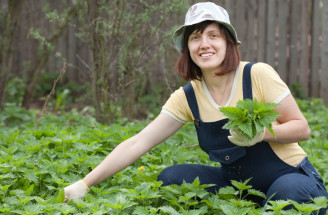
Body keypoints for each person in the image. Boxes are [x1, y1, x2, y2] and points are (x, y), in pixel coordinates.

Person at [64, 2, 328, 213]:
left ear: (228, 43)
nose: (204, 44)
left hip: (293, 179)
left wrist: (262, 134)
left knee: (287, 191)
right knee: (170, 177)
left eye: (213, 35)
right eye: (196, 37)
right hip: (239, 190)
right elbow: (138, 143)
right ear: (187, 47)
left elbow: (301, 128)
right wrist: (85, 183)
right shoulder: (188, 97)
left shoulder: (256, 75)